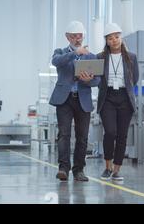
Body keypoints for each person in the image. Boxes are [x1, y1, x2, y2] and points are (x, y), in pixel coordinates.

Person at [50, 20, 100, 182]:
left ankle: (79, 170)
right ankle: (63, 168)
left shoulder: (91, 56)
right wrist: (76, 52)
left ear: (83, 36)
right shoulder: (60, 52)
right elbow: (56, 62)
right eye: (74, 36)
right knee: (64, 134)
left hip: (82, 99)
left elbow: (97, 81)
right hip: (64, 100)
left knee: (82, 136)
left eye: (79, 36)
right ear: (67, 37)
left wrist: (88, 80)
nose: (77, 38)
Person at [97, 23, 139, 181]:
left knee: (122, 135)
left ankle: (116, 170)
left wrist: (124, 88)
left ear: (121, 38)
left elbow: (134, 79)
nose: (114, 40)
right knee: (110, 132)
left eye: (116, 37)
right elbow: (97, 78)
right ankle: (107, 167)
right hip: (107, 97)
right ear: (106, 41)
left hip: (124, 98)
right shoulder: (100, 57)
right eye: (110, 38)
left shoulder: (131, 57)